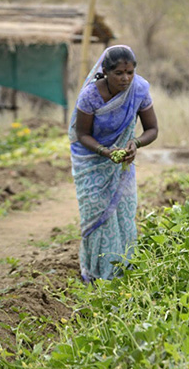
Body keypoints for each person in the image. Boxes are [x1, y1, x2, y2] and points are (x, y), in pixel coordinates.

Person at [68, 45, 159, 283]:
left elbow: (152, 129)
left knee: (123, 213)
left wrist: (135, 144)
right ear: (105, 71)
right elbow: (82, 134)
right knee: (96, 213)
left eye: (130, 72)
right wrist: (105, 151)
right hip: (92, 160)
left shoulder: (138, 90)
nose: (125, 78)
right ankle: (96, 273)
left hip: (121, 164)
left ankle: (122, 270)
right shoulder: (90, 95)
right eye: (119, 73)